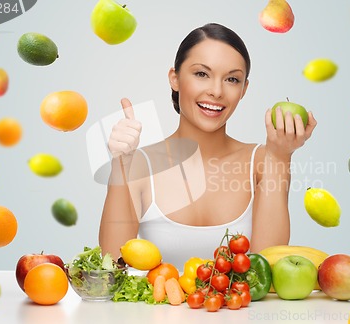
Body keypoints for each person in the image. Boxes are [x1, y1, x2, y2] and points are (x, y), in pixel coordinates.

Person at [99, 23, 317, 269]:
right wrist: (121, 163)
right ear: (175, 78)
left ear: (244, 89)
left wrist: (280, 157)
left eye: (232, 79)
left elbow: (267, 267)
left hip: (240, 309)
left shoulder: (262, 161)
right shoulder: (139, 165)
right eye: (201, 74)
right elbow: (111, 266)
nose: (216, 91)